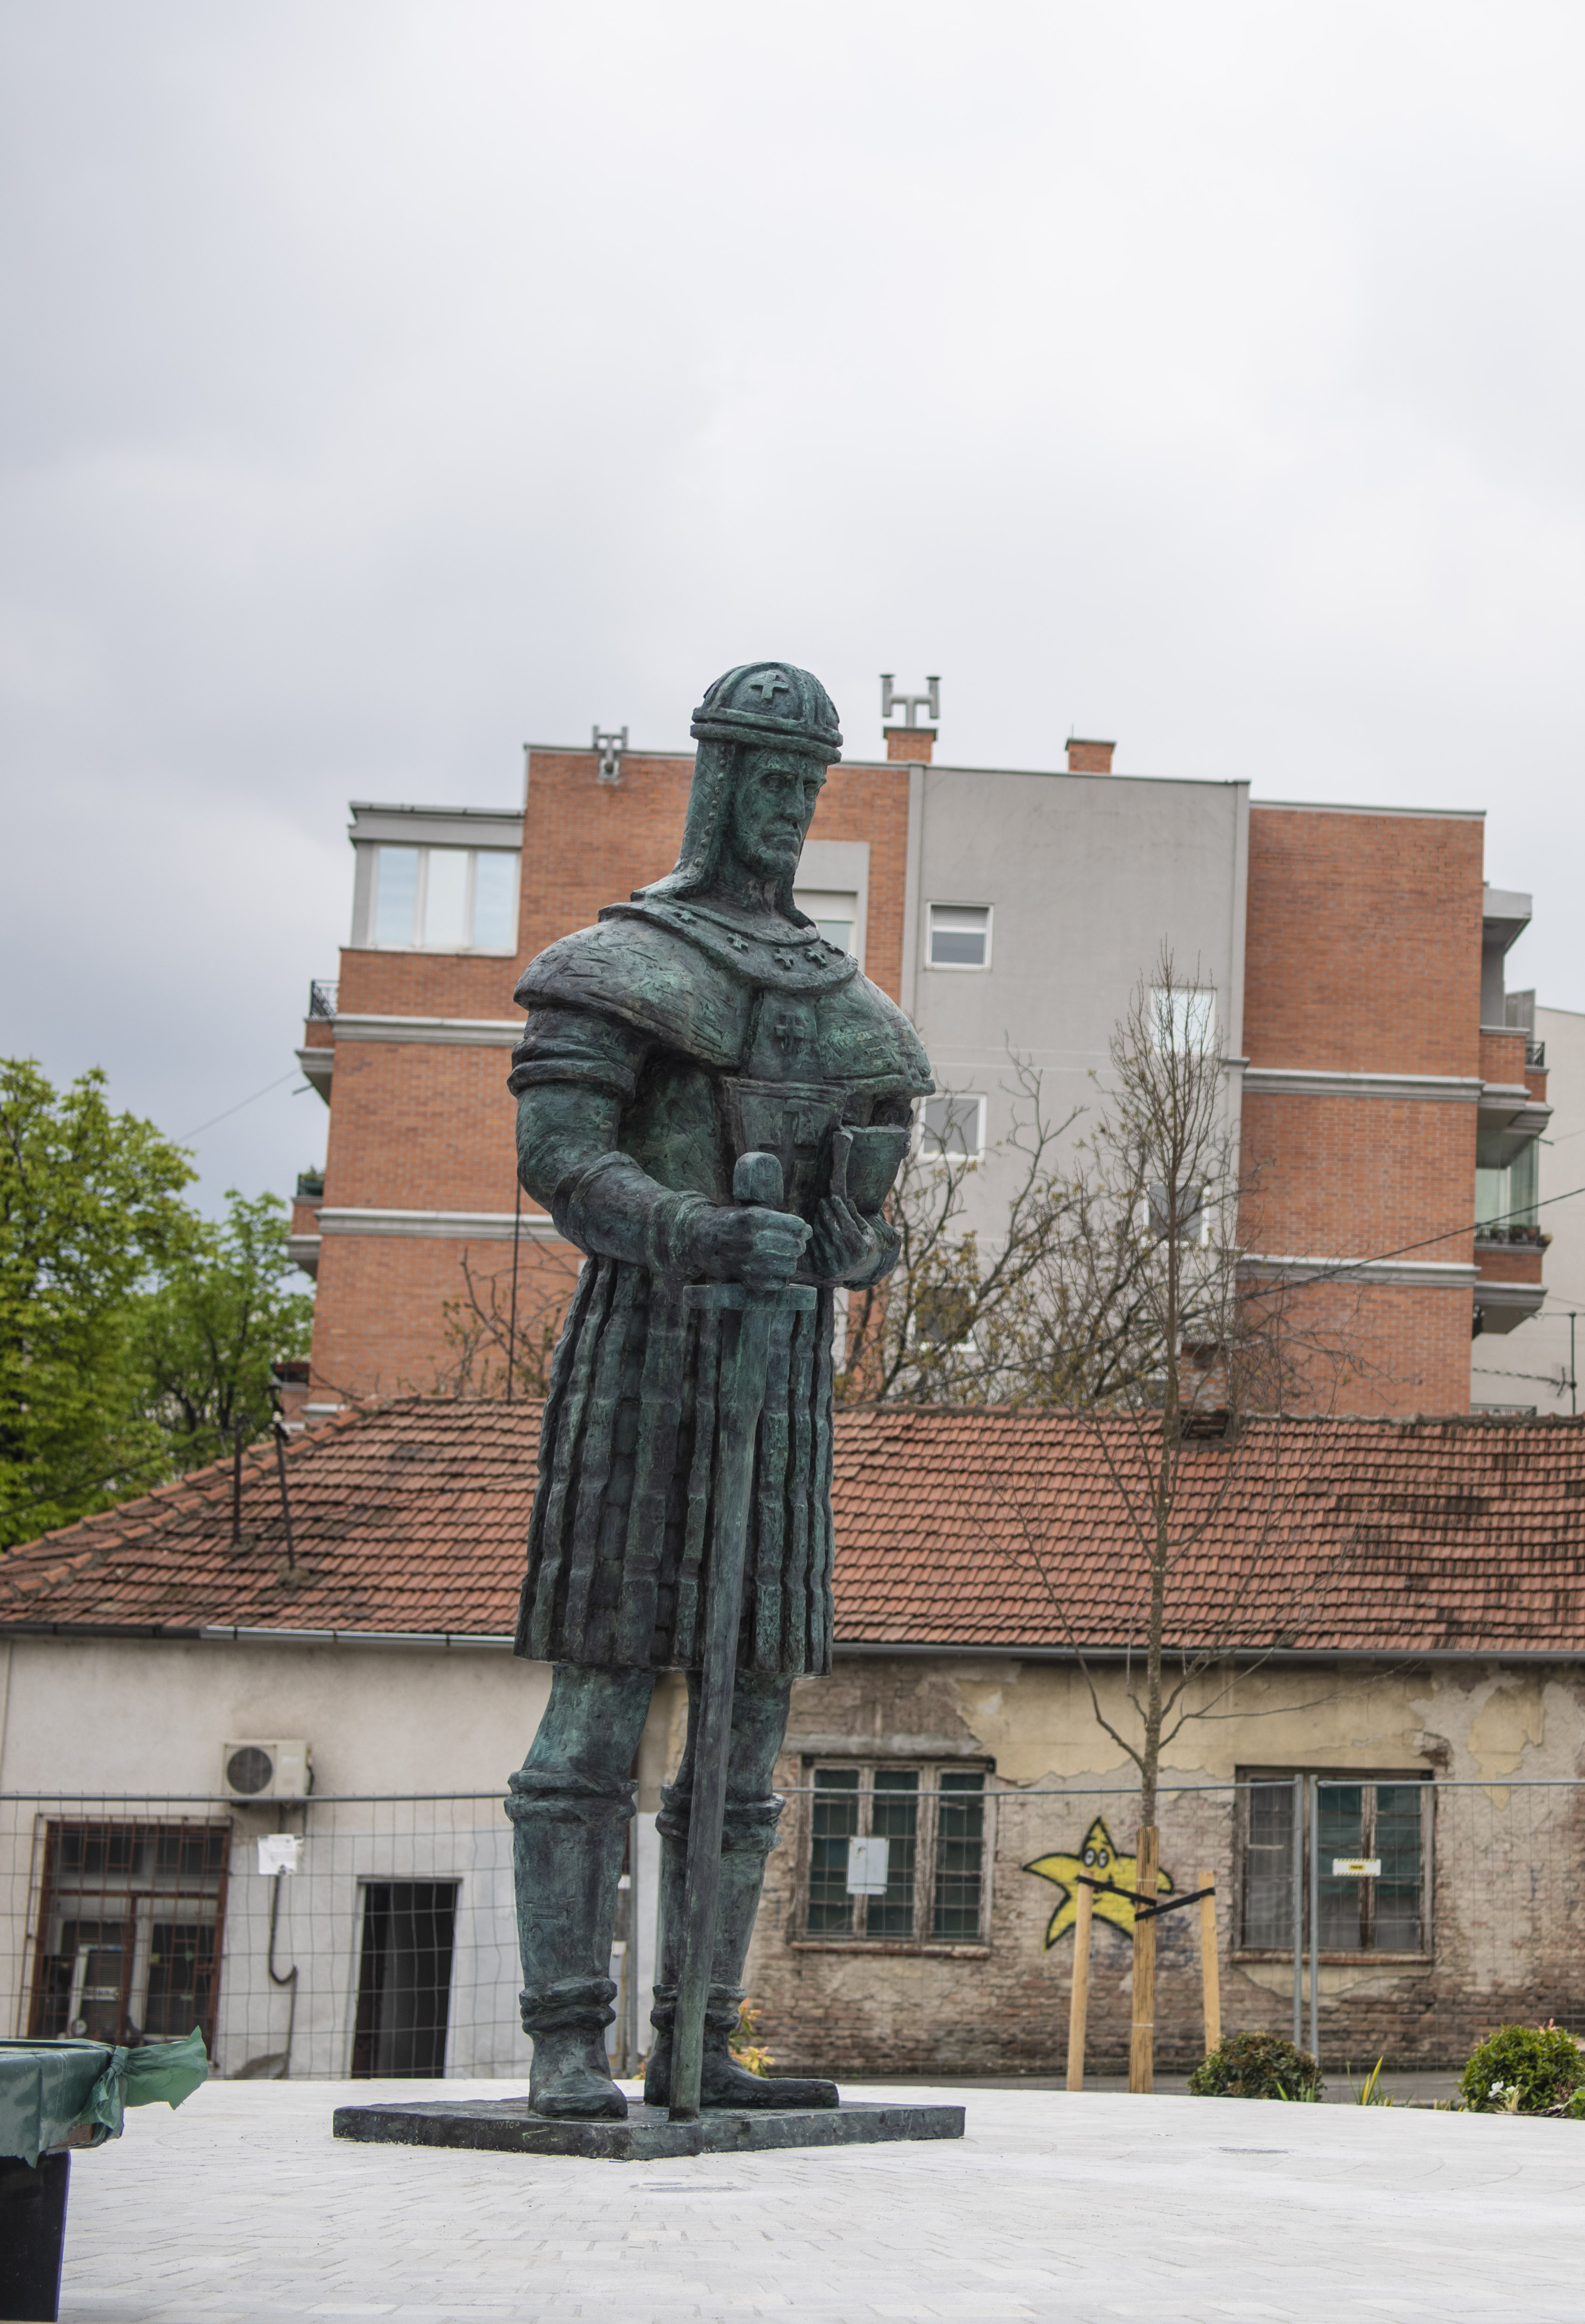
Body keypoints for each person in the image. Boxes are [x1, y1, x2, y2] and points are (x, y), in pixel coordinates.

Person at [500, 661, 931, 2120]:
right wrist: (686, 1228)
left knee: (749, 1721)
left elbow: (865, 1205)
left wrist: (853, 1239)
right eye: (770, 782)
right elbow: (563, 1157)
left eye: (811, 789)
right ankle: (568, 2038)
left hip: (781, 1381)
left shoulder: (841, 996)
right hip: (645, 1359)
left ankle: (706, 2031)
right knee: (600, 1706)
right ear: (719, 779)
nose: (789, 812)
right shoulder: (623, 962)